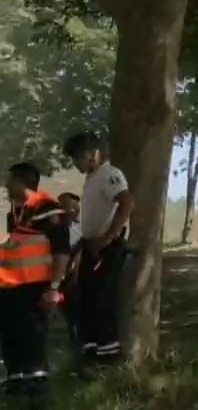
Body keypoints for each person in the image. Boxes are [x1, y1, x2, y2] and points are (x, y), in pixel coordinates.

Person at [0, 163, 71, 404]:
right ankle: (16, 381)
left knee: (32, 336)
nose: (6, 185)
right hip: (11, 287)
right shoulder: (18, 212)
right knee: (12, 335)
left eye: (10, 181)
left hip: (35, 287)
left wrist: (54, 287)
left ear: (22, 182)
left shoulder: (47, 209)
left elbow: (61, 250)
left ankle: (37, 388)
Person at [64, 131, 133, 366]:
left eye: (77, 157)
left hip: (107, 247)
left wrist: (107, 237)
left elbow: (126, 202)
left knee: (103, 297)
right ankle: (91, 349)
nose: (75, 163)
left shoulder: (110, 174)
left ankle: (108, 352)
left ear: (93, 153)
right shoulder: (92, 178)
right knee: (87, 297)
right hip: (90, 245)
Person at [57, 192, 83, 346]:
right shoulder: (55, 229)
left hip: (78, 271)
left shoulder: (83, 227)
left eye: (68, 207)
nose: (64, 211)